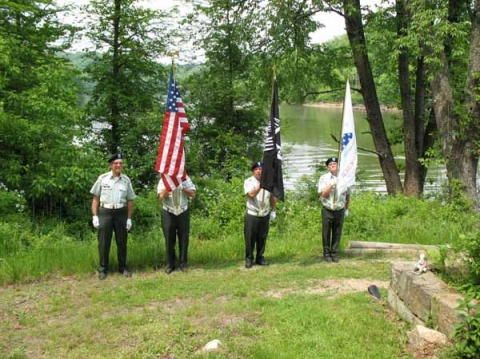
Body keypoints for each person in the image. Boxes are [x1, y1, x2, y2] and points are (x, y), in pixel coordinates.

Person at [90, 153, 136, 280]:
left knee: (122, 242)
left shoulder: (126, 180)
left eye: (120, 163)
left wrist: (129, 218)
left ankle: (123, 267)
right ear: (111, 165)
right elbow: (95, 198)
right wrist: (95, 216)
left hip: (121, 212)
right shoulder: (102, 178)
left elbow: (130, 200)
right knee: (104, 242)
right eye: (116, 163)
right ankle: (103, 269)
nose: (118, 165)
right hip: (105, 212)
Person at [157, 176, 196, 274]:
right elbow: (161, 196)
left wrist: (182, 187)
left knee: (184, 238)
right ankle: (170, 264)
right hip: (168, 211)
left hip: (183, 211)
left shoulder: (186, 178)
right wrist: (170, 187)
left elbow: (193, 194)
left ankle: (183, 264)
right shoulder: (164, 179)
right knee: (169, 238)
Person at [318, 156, 351, 263]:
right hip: (328, 209)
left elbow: (348, 195)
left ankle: (334, 252)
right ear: (328, 167)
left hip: (340, 208)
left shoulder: (345, 178)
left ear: (338, 165)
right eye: (330, 165)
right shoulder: (324, 178)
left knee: (337, 232)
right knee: (326, 232)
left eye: (334, 164)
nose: (332, 166)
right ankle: (326, 253)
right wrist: (332, 184)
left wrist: (346, 209)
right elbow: (323, 195)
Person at [243, 161, 277, 268]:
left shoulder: (269, 182)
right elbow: (251, 194)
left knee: (262, 237)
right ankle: (249, 258)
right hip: (252, 214)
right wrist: (261, 185)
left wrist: (273, 210)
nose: (259, 171)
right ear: (253, 171)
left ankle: (260, 257)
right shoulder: (248, 181)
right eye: (257, 169)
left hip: (264, 213)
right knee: (250, 238)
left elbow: (272, 197)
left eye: (261, 169)